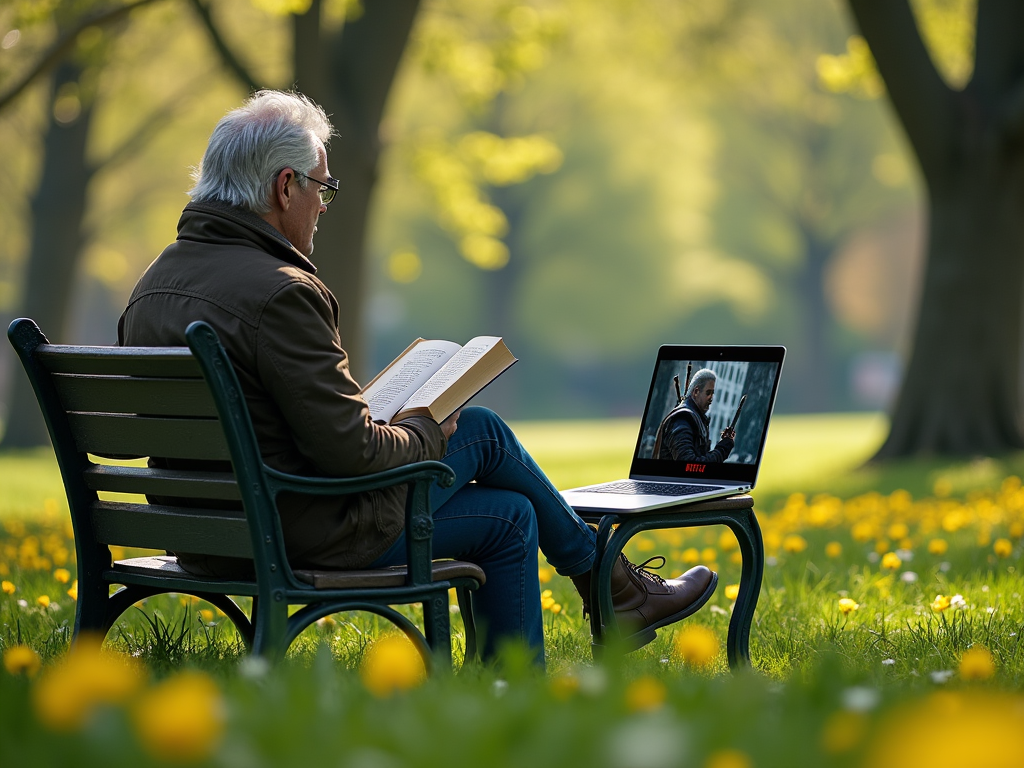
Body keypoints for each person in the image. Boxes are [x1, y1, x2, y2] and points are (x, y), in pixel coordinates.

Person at [118, 90, 717, 664]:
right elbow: (350, 453)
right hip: (294, 532)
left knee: (511, 509)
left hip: (203, 534)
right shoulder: (281, 293)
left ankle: (608, 595)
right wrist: (423, 430)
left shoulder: (150, 287)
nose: (325, 206)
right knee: (479, 433)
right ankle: (604, 597)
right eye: (322, 188)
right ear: (284, 186)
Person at [654, 368, 735, 463]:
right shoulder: (682, 420)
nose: (711, 398)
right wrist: (722, 449)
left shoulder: (695, 419)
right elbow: (691, 465)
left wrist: (723, 443)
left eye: (713, 393)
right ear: (696, 391)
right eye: (708, 393)